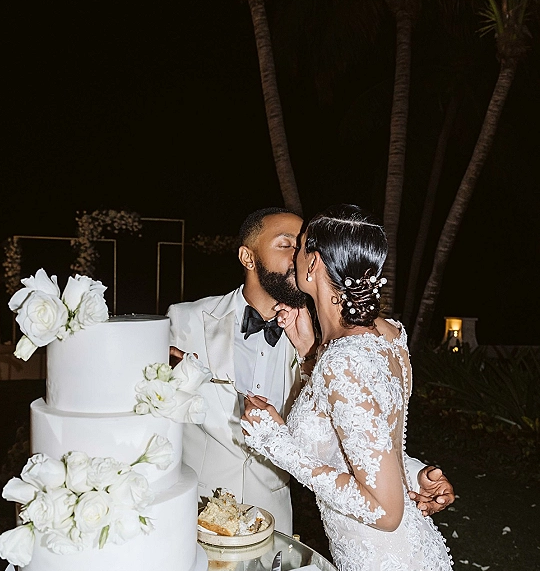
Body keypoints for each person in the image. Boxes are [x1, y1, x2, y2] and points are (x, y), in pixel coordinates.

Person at [242, 204, 462, 571]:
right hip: (396, 569)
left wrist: (279, 445)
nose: (291, 256)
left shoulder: (346, 360)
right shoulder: (385, 336)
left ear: (315, 266)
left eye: (300, 248)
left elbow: (383, 509)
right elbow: (378, 449)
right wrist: (416, 474)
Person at [168, 207, 455, 535]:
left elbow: (352, 433)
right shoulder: (184, 321)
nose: (298, 256)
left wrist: (412, 473)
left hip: (273, 519)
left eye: (302, 245)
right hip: (195, 511)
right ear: (247, 257)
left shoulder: (324, 342)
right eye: (285, 244)